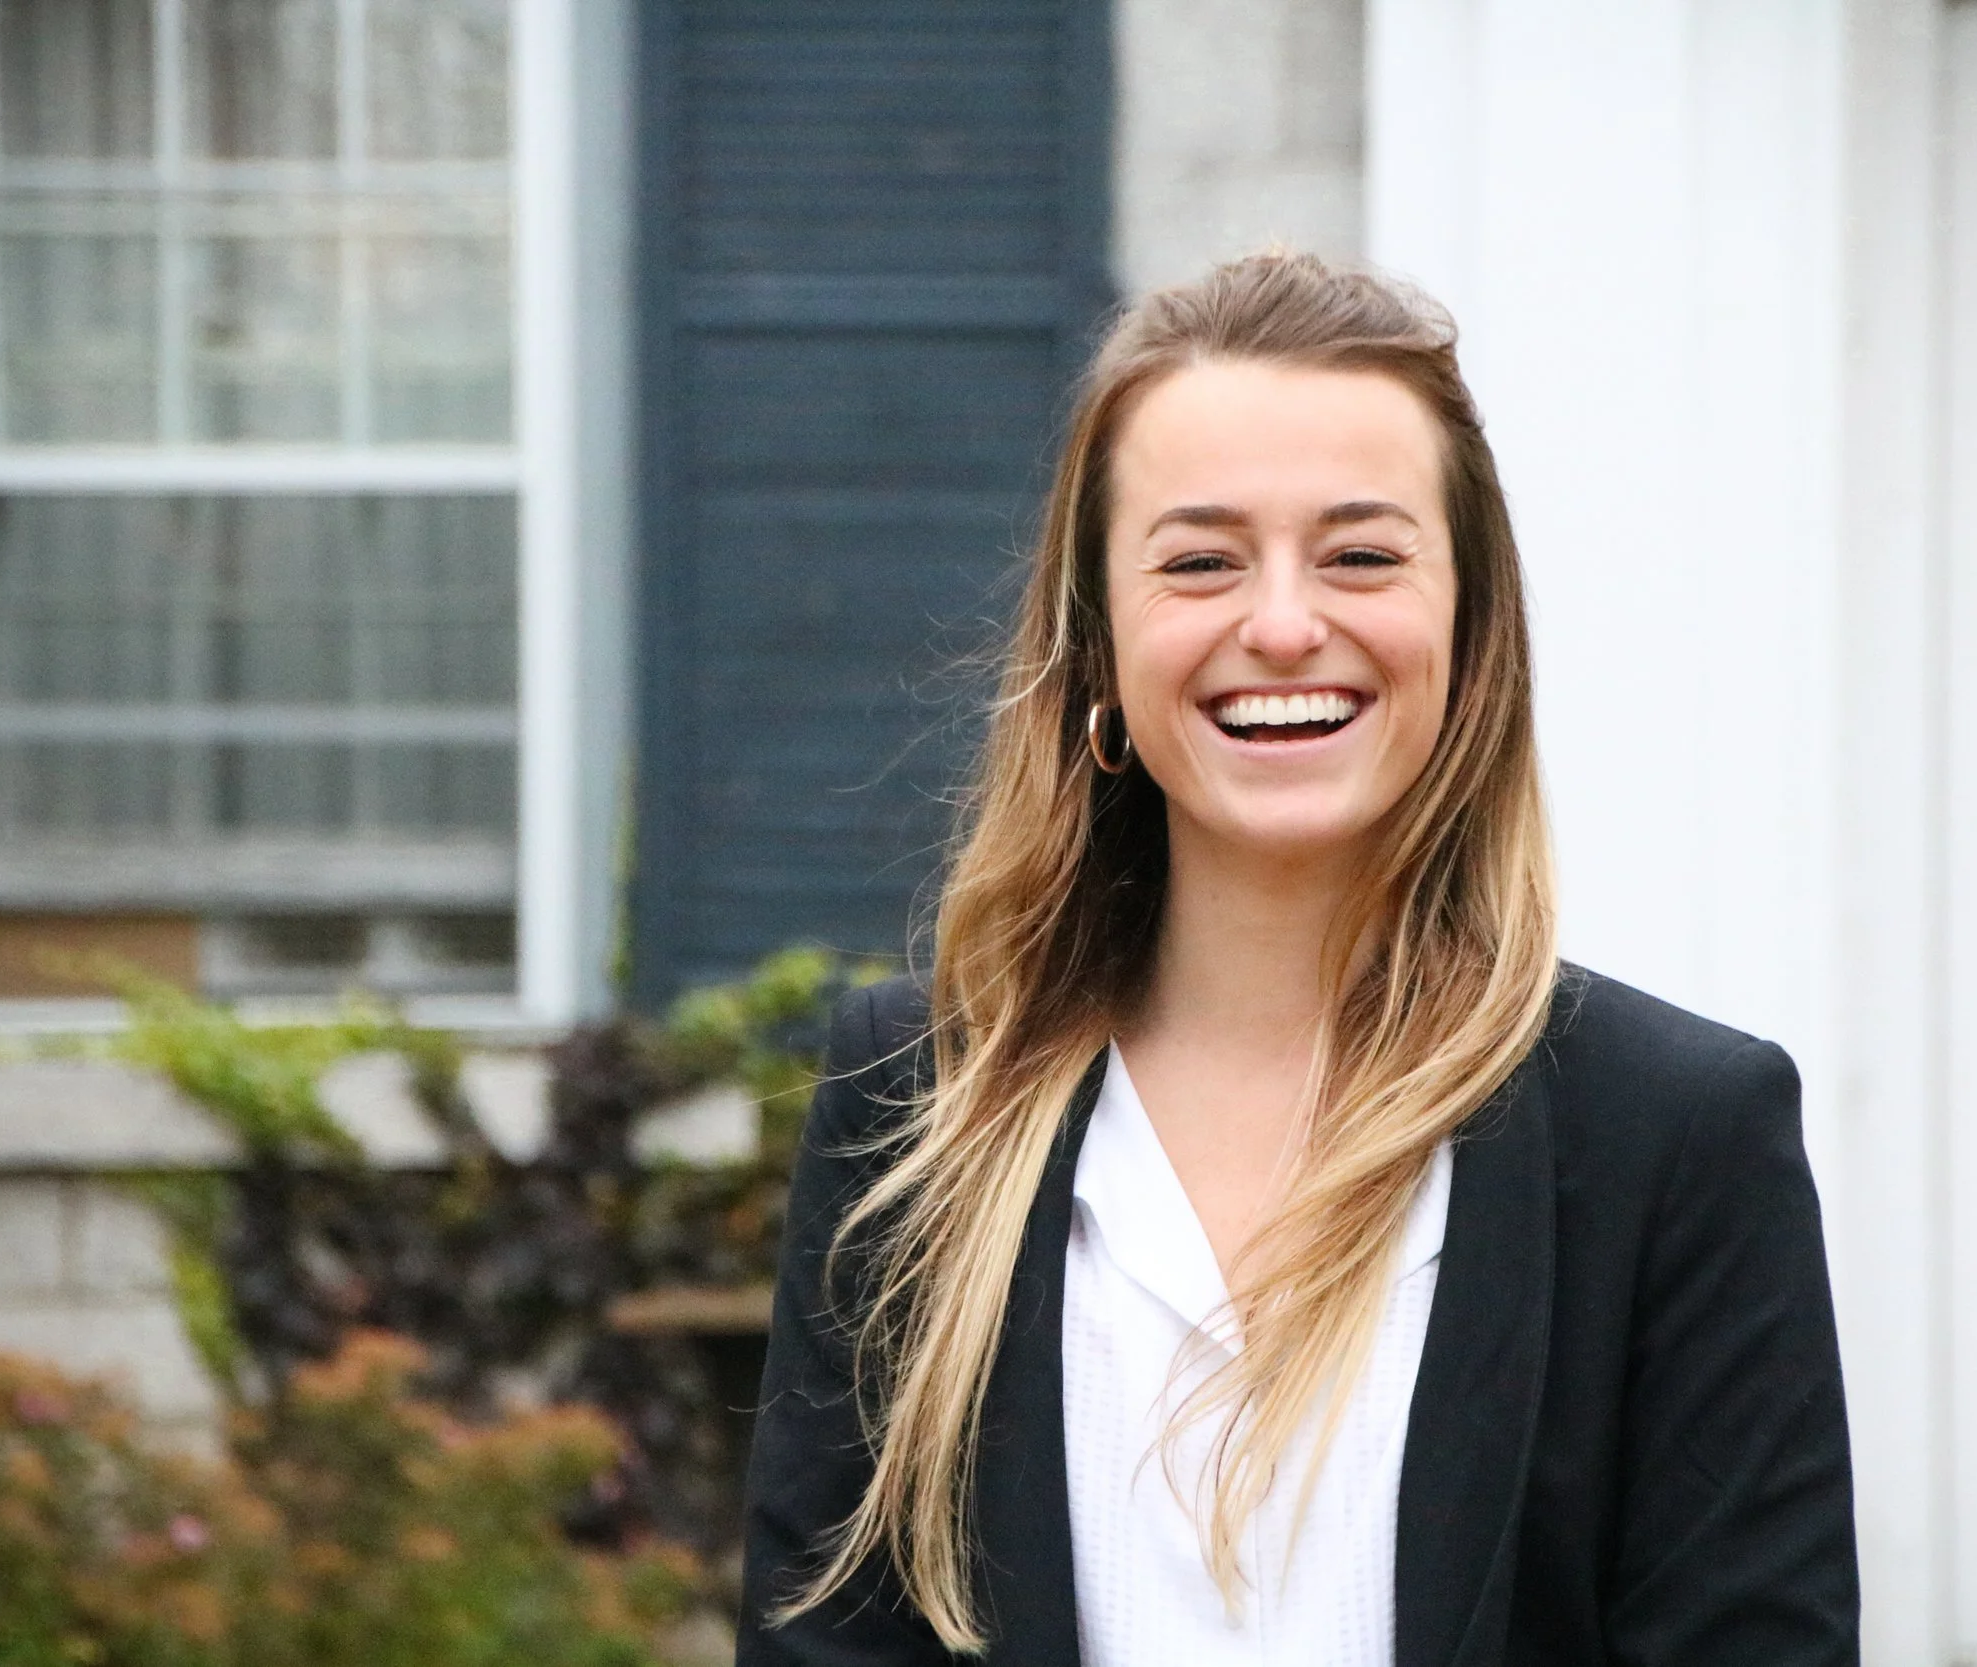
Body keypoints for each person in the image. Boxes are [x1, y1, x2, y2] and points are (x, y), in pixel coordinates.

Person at [736, 252, 1858, 1666]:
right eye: (1201, 559)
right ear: (1098, 644)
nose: (1280, 622)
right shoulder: (916, 1105)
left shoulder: (1679, 1135)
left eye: (1362, 554)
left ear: (1471, 628)